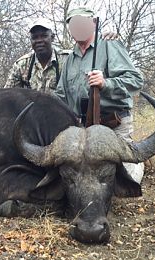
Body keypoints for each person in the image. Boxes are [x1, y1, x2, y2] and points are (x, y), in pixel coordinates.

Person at [55, 7, 144, 183]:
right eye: (73, 24)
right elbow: (60, 95)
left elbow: (135, 80)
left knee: (123, 181)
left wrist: (106, 83)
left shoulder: (110, 44)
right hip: (83, 130)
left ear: (93, 23)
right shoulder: (69, 59)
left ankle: (137, 163)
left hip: (114, 124)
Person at [4, 18, 71, 94]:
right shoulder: (21, 65)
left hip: (60, 105)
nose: (39, 40)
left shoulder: (68, 60)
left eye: (44, 36)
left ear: (52, 38)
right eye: (35, 37)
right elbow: (8, 95)